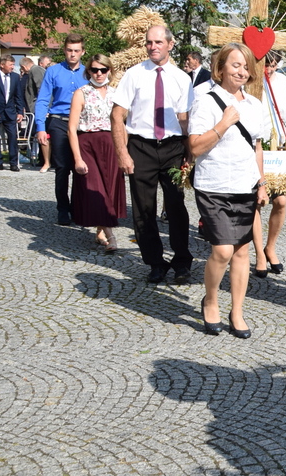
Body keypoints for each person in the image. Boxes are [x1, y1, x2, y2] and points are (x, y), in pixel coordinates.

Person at [188, 42, 267, 339]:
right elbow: (195, 147)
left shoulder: (254, 105)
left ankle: (237, 311)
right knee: (222, 250)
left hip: (245, 186)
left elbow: (257, 146)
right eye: (235, 65)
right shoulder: (205, 101)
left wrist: (261, 183)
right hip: (214, 185)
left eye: (246, 66)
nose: (242, 71)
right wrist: (223, 124)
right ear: (220, 68)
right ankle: (211, 300)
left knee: (242, 251)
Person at [111, 25, 195, 284]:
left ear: (170, 44)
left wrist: (189, 153)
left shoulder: (182, 78)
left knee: (176, 206)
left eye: (158, 42)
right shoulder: (134, 74)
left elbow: (185, 119)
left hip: (172, 147)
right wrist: (122, 153)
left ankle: (181, 262)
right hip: (141, 147)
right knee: (143, 209)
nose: (153, 46)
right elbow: (117, 115)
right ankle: (155, 263)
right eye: (149, 42)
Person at [67, 53, 125, 252]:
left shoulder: (117, 94)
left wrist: (124, 151)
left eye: (103, 69)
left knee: (109, 190)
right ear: (88, 71)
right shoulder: (81, 93)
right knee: (95, 189)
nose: (99, 73)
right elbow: (71, 128)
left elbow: (122, 124)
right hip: (87, 145)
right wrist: (77, 158)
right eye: (94, 70)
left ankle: (101, 231)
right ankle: (111, 237)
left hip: (111, 144)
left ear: (109, 70)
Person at [250, 50, 286, 278]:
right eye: (266, 64)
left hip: (277, 145)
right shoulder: (250, 79)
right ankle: (259, 253)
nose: (269, 69)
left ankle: (271, 246)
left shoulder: (282, 82)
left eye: (273, 64)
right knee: (257, 201)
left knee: (281, 201)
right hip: (254, 146)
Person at [36, 35, 88, 223]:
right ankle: (63, 209)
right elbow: (43, 99)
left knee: (81, 167)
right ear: (65, 50)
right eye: (69, 50)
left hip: (81, 123)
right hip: (59, 121)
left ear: (82, 52)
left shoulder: (88, 72)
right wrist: (40, 127)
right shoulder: (53, 71)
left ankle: (78, 207)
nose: (72, 54)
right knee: (62, 167)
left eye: (76, 51)